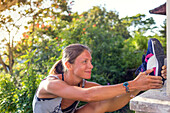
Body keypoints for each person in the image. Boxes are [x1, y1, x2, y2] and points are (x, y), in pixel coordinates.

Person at [32, 44, 167, 113]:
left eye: (90, 61)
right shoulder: (50, 84)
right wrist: (132, 84)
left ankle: (146, 71)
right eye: (84, 62)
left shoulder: (84, 85)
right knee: (95, 98)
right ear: (69, 65)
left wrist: (141, 84)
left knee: (102, 102)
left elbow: (113, 99)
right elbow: (88, 95)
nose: (90, 66)